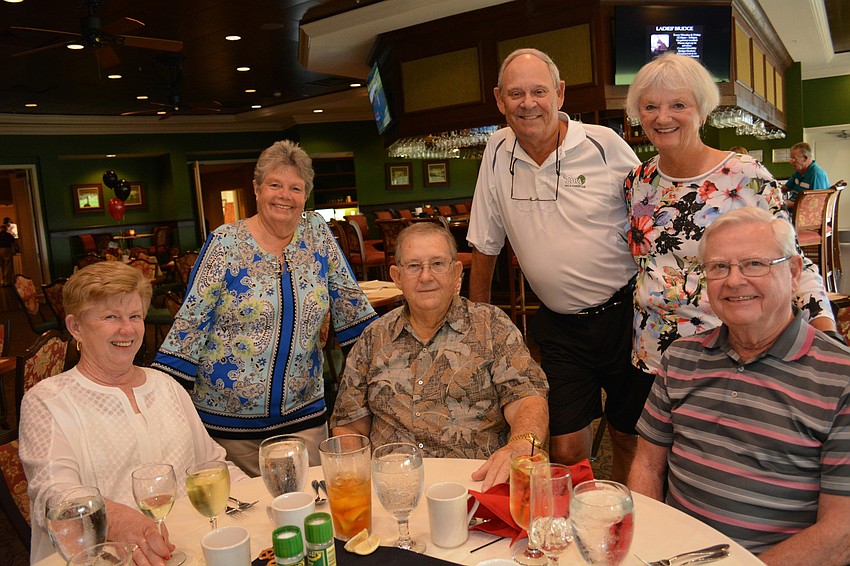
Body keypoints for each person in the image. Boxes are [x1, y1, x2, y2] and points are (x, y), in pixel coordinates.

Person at [629, 207, 850, 563]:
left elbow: (841, 534)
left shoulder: (840, 378)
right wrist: (648, 546)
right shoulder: (681, 358)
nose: (734, 281)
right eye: (719, 267)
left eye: (754, 264)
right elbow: (647, 467)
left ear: (793, 273)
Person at [467, 48, 644, 482]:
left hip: (627, 317)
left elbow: (652, 219)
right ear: (499, 100)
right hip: (560, 326)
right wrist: (476, 327)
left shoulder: (605, 145)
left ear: (560, 93)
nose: (528, 103)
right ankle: (578, 527)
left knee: (629, 435)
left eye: (539, 91)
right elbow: (486, 244)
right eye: (516, 93)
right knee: (565, 446)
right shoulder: (496, 150)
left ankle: (626, 521)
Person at [153, 140, 378, 475]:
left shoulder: (318, 236)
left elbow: (353, 314)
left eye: (295, 188)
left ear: (305, 196)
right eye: (275, 185)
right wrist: (158, 409)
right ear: (256, 189)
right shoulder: (225, 244)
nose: (284, 195)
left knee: (310, 513)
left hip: (305, 421)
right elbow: (190, 326)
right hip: (228, 432)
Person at [623, 52, 836, 386]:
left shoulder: (745, 176)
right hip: (652, 351)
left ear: (703, 110)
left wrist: (825, 332)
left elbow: (792, 261)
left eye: (678, 105)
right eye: (650, 107)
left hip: (729, 351)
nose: (662, 117)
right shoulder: (638, 181)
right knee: (649, 438)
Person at [19, 262, 248, 565]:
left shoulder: (166, 386)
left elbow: (212, 466)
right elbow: (55, 495)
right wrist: (113, 517)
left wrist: (259, 502)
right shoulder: (47, 401)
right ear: (76, 327)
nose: (127, 329)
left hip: (187, 550)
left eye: (135, 316)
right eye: (111, 317)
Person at [331, 222, 549, 490]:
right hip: (392, 489)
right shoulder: (372, 339)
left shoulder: (492, 326)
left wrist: (520, 444)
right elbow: (349, 426)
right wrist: (355, 481)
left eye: (437, 264)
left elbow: (528, 398)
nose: (425, 276)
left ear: (457, 272)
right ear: (397, 277)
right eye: (413, 266)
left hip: (474, 488)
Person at [784, 141, 830, 209]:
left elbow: (816, 203)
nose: (791, 162)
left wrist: (790, 204)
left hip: (805, 215)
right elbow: (785, 188)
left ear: (805, 158)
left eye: (794, 159)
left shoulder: (816, 174)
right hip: (793, 211)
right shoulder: (799, 172)